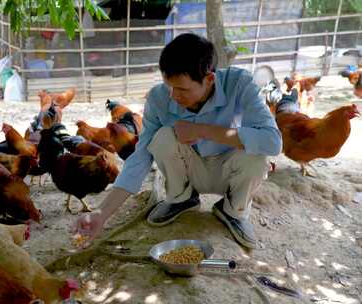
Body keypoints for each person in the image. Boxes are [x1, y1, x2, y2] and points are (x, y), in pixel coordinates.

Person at [74, 33, 282, 249]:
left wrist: (202, 130)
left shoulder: (240, 83)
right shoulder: (159, 98)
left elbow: (273, 142)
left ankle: (233, 211)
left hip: (230, 172)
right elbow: (140, 157)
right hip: (190, 171)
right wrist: (101, 213)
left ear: (209, 79)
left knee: (257, 153)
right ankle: (182, 199)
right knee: (163, 137)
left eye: (182, 89)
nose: (173, 95)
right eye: (169, 85)